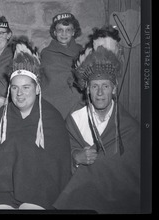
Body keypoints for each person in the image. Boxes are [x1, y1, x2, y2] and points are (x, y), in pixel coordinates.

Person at [0, 37, 71, 210]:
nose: (19, 94)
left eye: (26, 87)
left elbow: (59, 166)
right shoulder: (1, 117)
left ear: (37, 89)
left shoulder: (51, 118)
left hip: (39, 190)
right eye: (15, 88)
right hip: (1, 191)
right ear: (9, 89)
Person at [53, 26, 140, 214]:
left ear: (114, 89)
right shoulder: (74, 120)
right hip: (79, 201)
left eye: (105, 86)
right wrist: (76, 159)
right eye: (94, 87)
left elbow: (135, 177)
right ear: (87, 90)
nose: (100, 93)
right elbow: (59, 157)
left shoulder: (130, 127)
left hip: (119, 204)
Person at [40, 12, 84, 119]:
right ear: (55, 32)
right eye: (60, 30)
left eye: (68, 30)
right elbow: (42, 79)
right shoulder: (46, 53)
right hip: (52, 102)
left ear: (73, 32)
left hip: (76, 103)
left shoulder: (82, 52)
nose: (64, 34)